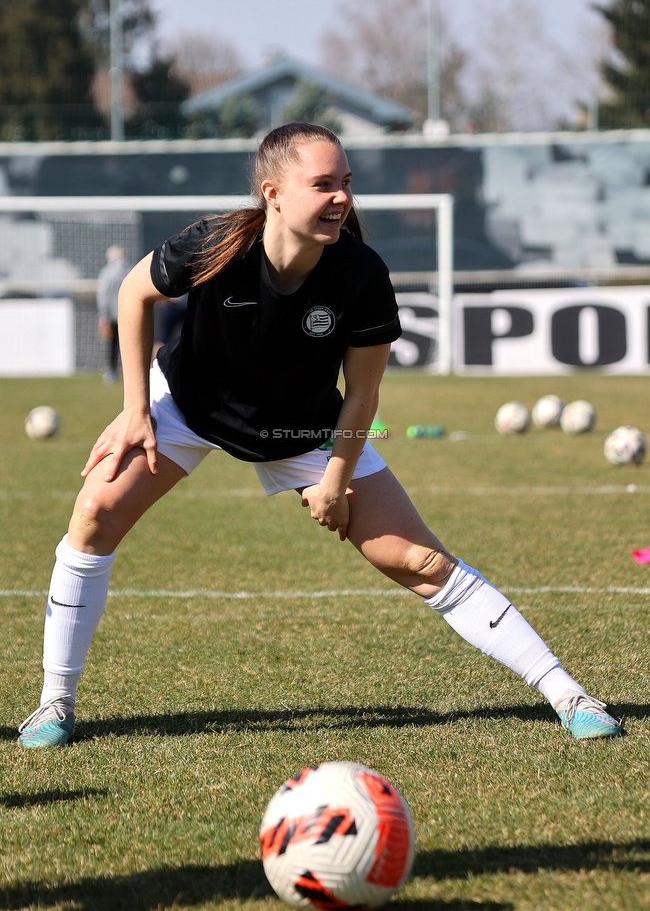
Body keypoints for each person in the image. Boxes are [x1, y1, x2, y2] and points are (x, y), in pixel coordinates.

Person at [18, 123, 621, 747]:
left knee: (418, 560)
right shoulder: (214, 243)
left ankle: (567, 693)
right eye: (324, 184)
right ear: (272, 192)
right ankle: (54, 703)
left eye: (347, 184)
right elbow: (132, 293)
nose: (342, 198)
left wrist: (334, 478)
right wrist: (136, 408)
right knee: (94, 514)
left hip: (301, 426)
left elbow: (362, 394)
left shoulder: (361, 274)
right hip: (189, 406)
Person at [96, 244, 131, 383]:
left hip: (112, 314)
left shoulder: (107, 272)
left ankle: (112, 372)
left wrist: (103, 315)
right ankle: (132, 373)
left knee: (112, 344)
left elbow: (103, 295)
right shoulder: (131, 268)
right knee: (129, 343)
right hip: (129, 312)